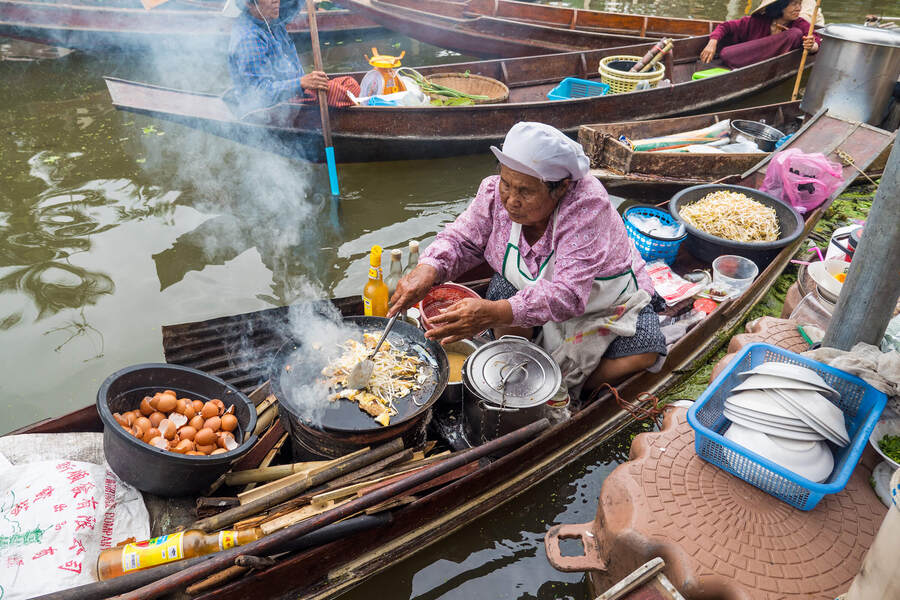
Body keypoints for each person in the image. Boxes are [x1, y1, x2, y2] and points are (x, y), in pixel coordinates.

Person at [389, 122, 667, 400]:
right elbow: (462, 240)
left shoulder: (586, 208)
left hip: (601, 306)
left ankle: (575, 389)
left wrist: (493, 312)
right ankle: (521, 374)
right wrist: (429, 268)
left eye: (525, 191)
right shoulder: (493, 195)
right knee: (501, 290)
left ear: (560, 189)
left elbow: (568, 294)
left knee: (646, 349)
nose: (511, 200)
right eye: (506, 184)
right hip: (529, 299)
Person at [225, 0, 358, 117]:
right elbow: (258, 94)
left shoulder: (272, 21)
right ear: (249, 3)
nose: (276, 1)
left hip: (296, 95)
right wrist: (300, 83)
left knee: (350, 84)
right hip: (271, 109)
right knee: (339, 94)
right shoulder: (249, 38)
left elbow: (292, 5)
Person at [699, 0, 821, 69]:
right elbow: (725, 26)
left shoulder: (800, 24)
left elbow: (816, 42)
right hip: (743, 62)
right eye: (794, 4)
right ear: (781, 6)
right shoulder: (758, 21)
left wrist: (811, 46)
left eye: (800, 4)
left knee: (795, 34)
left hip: (773, 67)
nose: (799, 8)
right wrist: (712, 42)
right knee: (725, 53)